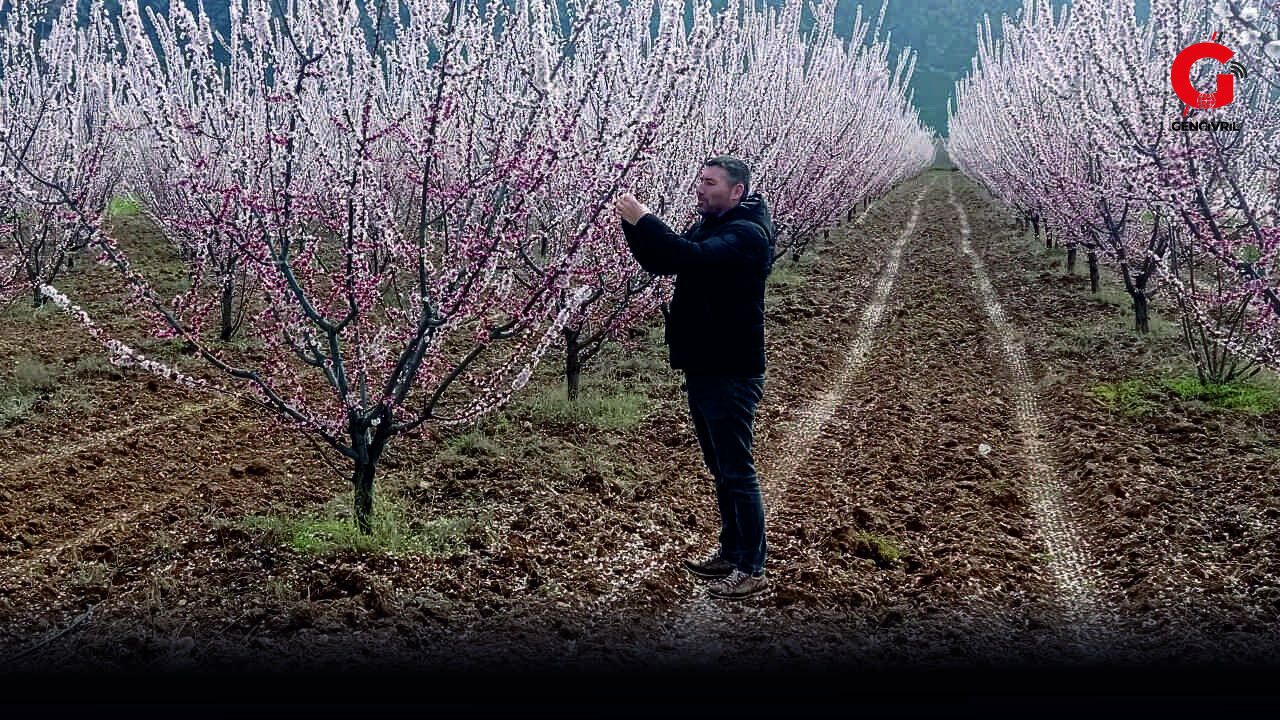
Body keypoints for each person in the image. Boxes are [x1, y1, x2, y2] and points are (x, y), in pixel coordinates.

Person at [613, 155, 775, 600]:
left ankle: (751, 567)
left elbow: (691, 256)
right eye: (700, 180)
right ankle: (731, 551)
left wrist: (646, 219)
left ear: (736, 191)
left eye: (710, 182)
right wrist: (633, 225)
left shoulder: (746, 234)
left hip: (730, 368)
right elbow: (664, 261)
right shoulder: (714, 225)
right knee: (721, 467)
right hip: (705, 363)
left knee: (737, 469)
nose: (700, 188)